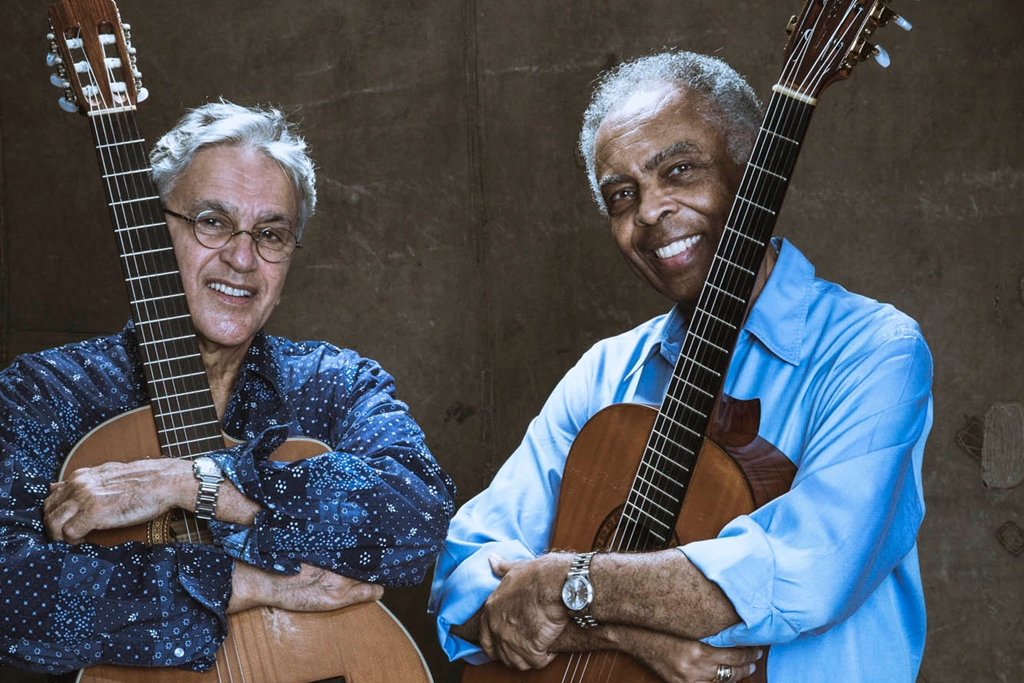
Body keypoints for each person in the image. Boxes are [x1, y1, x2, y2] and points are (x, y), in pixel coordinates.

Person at [429, 51, 931, 683]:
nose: (648, 212)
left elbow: (800, 574)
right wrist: (629, 635)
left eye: (680, 170)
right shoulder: (605, 374)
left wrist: (567, 585)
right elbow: (461, 571)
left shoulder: (874, 351)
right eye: (622, 195)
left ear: (753, 174)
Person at [0, 101, 456, 677]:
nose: (242, 259)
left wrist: (193, 483)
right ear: (155, 230)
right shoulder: (47, 392)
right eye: (211, 221)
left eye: (271, 234)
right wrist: (245, 583)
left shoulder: (333, 384)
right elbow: (9, 593)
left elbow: (416, 519)